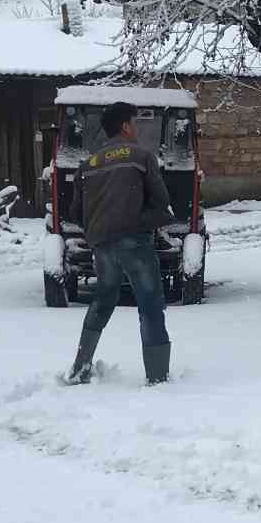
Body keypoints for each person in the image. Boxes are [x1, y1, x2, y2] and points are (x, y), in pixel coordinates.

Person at [64, 102, 175, 385]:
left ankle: (80, 366)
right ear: (125, 126)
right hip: (134, 240)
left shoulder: (88, 165)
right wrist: (142, 222)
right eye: (135, 124)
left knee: (103, 299)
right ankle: (158, 376)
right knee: (149, 302)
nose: (136, 129)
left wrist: (97, 230)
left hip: (101, 245)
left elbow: (74, 213)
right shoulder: (141, 156)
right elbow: (161, 202)